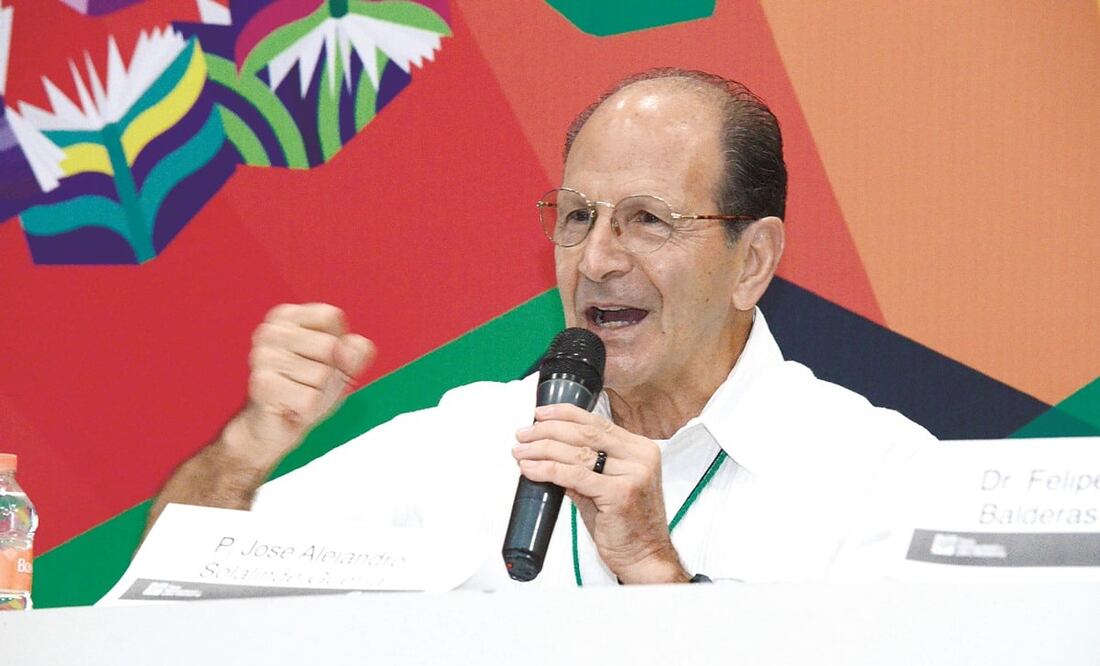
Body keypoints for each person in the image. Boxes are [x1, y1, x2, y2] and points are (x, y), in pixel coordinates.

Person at [149, 68, 933, 588]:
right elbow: (178, 581)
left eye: (647, 221)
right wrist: (250, 445)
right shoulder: (468, 439)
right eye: (578, 216)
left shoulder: (879, 477)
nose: (595, 259)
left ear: (752, 261)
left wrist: (653, 568)